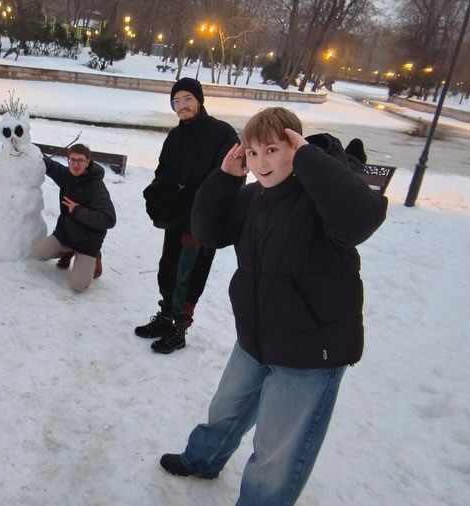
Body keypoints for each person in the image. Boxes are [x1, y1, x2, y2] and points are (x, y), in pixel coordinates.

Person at [159, 107, 387, 505]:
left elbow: (361, 219)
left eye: (272, 150)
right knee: (225, 410)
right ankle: (203, 459)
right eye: (252, 153)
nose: (261, 163)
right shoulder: (252, 198)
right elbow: (207, 232)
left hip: (309, 351)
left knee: (275, 453)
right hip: (256, 337)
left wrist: (312, 161)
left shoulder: (320, 197)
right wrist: (225, 179)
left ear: (295, 148)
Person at [137, 77, 239, 354]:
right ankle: (165, 317)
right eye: (176, 102)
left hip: (202, 220)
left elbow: (232, 177)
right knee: (168, 268)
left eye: (187, 99)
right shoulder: (175, 136)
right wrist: (156, 194)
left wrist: (201, 202)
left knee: (189, 273)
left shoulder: (223, 134)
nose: (181, 106)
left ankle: (179, 328)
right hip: (176, 216)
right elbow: (163, 171)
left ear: (199, 100)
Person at [32, 143, 116, 293]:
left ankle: (95, 257)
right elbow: (50, 165)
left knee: (78, 286)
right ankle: (68, 251)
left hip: (86, 244)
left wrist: (78, 210)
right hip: (65, 236)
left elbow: (109, 219)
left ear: (87, 162)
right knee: (37, 253)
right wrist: (25, 145)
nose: (76, 164)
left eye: (80, 160)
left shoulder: (97, 187)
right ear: (68, 160)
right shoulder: (67, 176)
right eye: (72, 160)